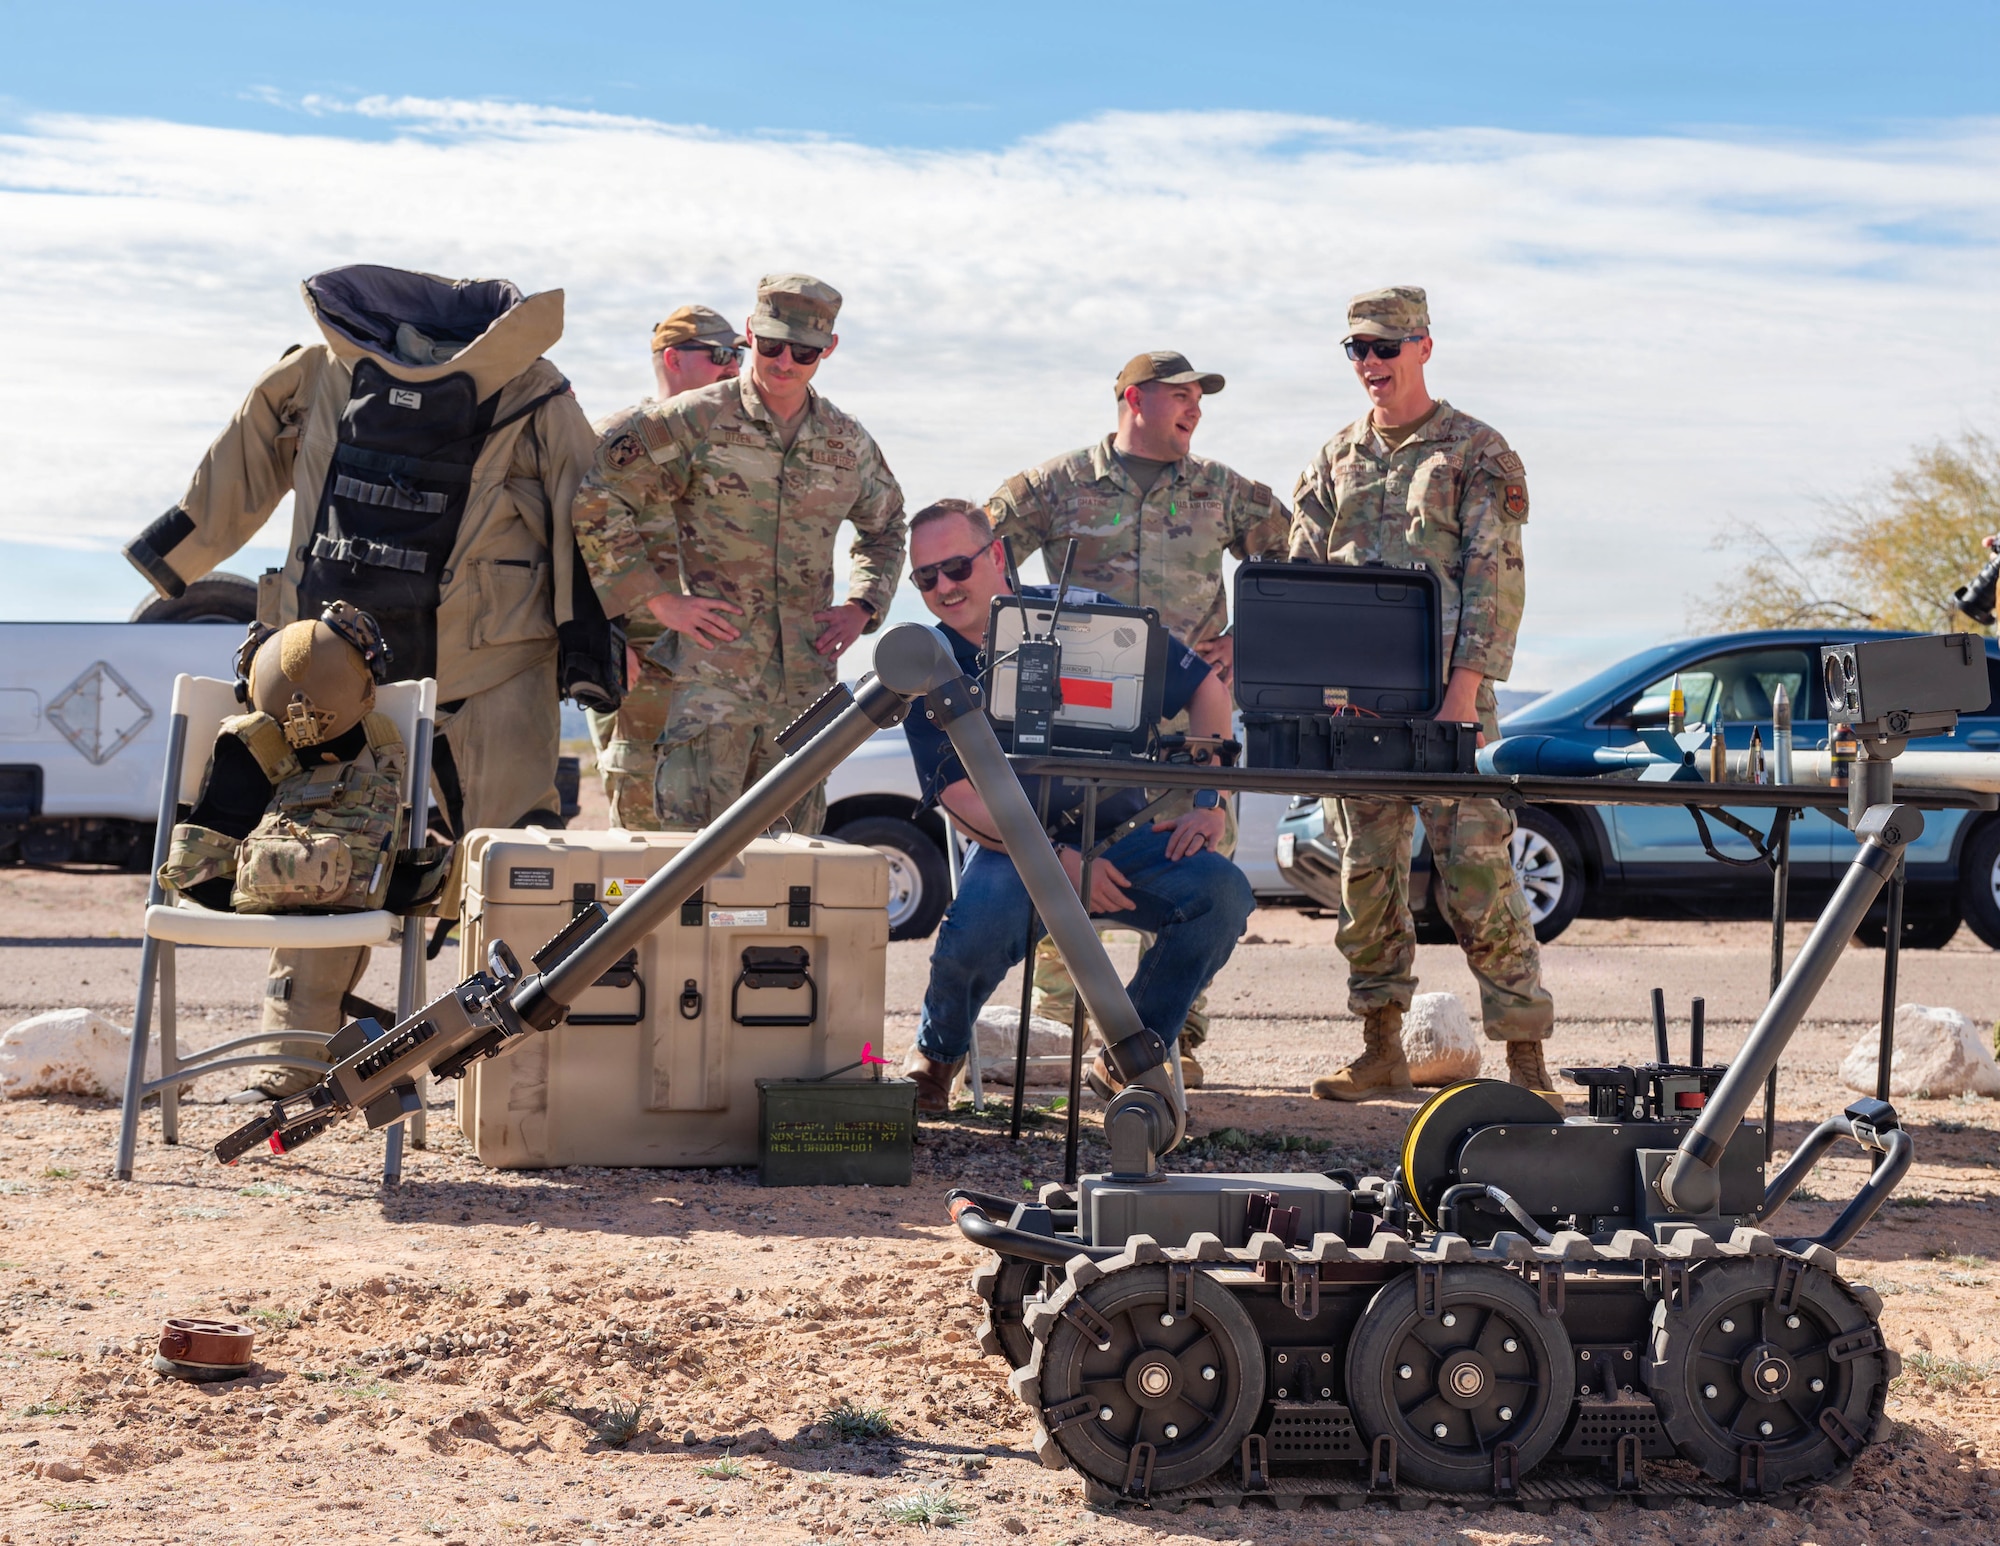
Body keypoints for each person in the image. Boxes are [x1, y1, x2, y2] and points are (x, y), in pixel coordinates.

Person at [121, 264, 604, 1097]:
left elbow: (237, 469)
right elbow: (583, 513)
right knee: (515, 854)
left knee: (318, 843)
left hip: (333, 672)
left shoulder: (321, 366)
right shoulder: (534, 386)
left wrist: (175, 556)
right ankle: (529, 1079)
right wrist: (591, 652)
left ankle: (295, 1049)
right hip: (493, 662)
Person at [985, 351, 1289, 1087]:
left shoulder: (1227, 493)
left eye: (1199, 399)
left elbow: (1292, 567)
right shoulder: (1054, 488)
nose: (1195, 410)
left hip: (1193, 725)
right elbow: (981, 559)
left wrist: (1243, 642)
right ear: (1133, 399)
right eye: (1180, 396)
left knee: (1198, 876)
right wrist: (1033, 641)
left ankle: (1168, 1043)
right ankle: (1064, 1030)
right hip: (1083, 726)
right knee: (1070, 876)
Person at [1288, 286, 1557, 1103]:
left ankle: (1524, 1064)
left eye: (1386, 347)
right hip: (1355, 717)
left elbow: (1494, 583)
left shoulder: (1476, 452)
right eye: (1357, 351)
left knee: (1479, 884)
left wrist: (1463, 697)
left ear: (1424, 347)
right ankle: (1380, 1051)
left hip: (1447, 708)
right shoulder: (1334, 459)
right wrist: (1313, 690)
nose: (1371, 364)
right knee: (1366, 883)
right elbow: (1300, 583)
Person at [899, 498, 1255, 1114]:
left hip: (1121, 838)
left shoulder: (1090, 619)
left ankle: (1129, 1056)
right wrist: (1056, 862)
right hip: (1012, 850)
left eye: (956, 567)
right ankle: (937, 1058)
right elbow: (959, 797)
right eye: (925, 577)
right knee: (975, 929)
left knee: (1220, 894)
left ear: (997, 556)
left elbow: (1204, 688)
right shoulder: (924, 664)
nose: (944, 587)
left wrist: (1210, 800)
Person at [571, 273, 906, 834]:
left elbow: (888, 526)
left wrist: (863, 605)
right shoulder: (695, 419)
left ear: (829, 349)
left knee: (792, 864)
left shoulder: (846, 442)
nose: (784, 362)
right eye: (771, 345)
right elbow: (599, 491)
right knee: (687, 861)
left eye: (804, 351)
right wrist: (655, 600)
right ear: (750, 332)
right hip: (712, 687)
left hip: (804, 687)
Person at [584, 305, 746, 829]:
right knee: (643, 838)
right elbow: (568, 544)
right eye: (720, 355)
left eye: (738, 355)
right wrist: (600, 637)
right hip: (642, 668)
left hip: (721, 674)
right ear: (673, 359)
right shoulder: (615, 438)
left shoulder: (737, 444)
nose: (733, 368)